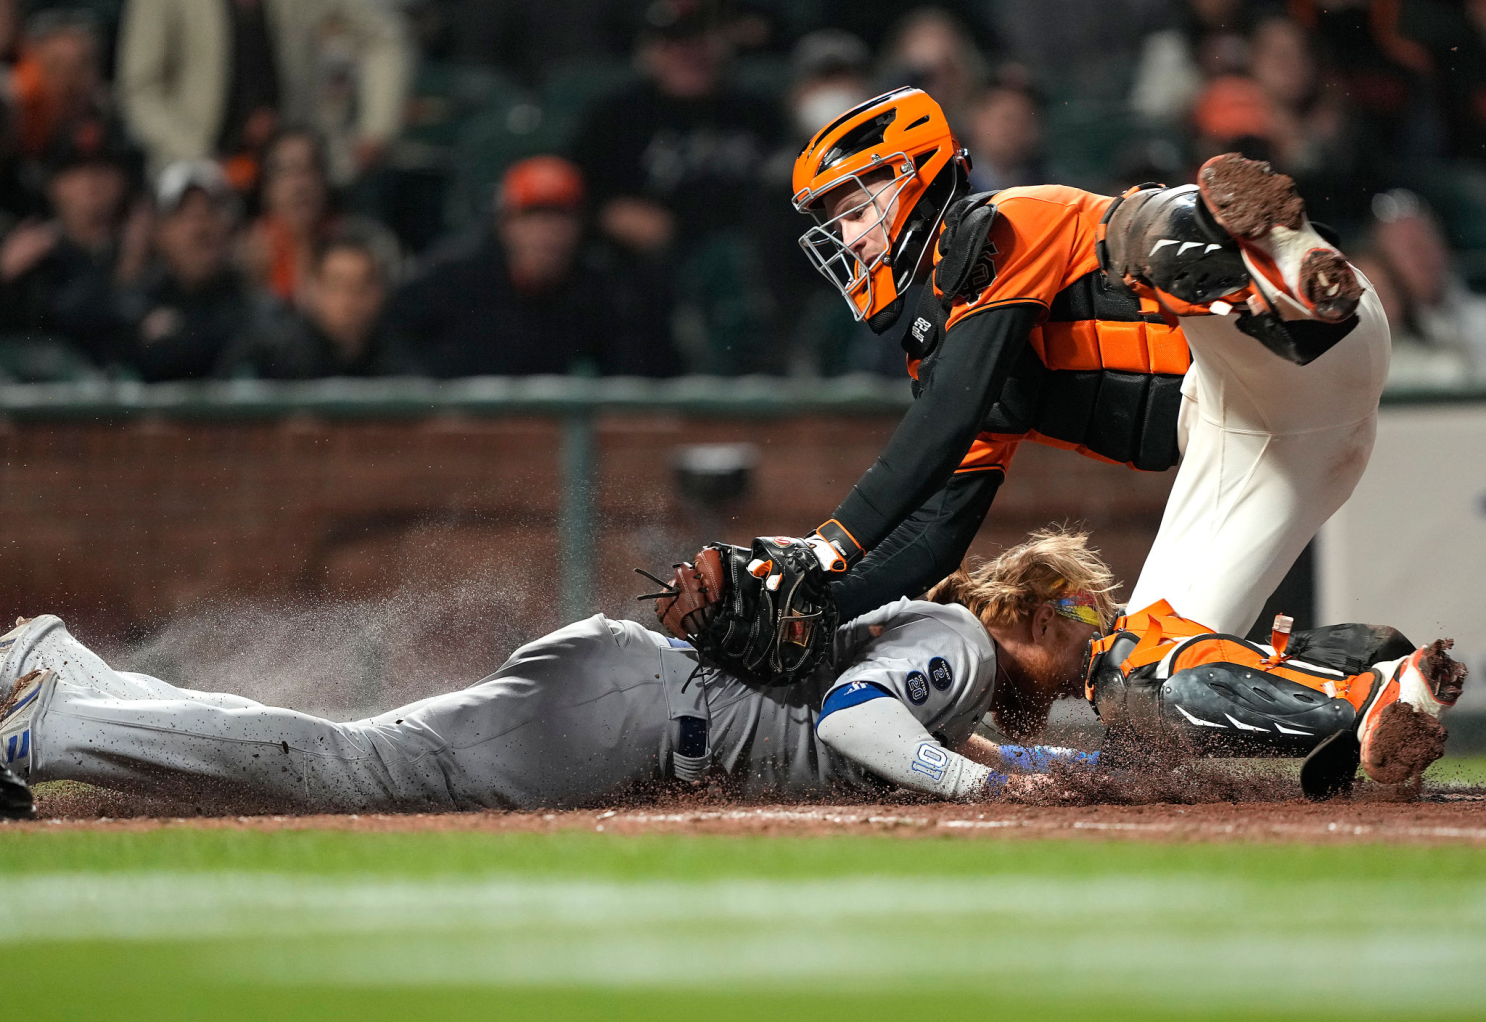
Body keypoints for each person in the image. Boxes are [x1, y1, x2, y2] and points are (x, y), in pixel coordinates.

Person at [655, 87, 1388, 686]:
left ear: (918, 177)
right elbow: (931, 538)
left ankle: (1281, 261)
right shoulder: (946, 343)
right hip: (1256, 431)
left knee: (1137, 228)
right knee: (1140, 677)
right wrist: (819, 606)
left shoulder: (1002, 223)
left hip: (1291, 336)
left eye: (854, 209)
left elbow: (950, 411)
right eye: (834, 221)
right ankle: (1366, 687)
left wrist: (822, 549)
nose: (847, 238)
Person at [0, 529, 1117, 811]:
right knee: (357, 770)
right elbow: (856, 721)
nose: (1092, 649)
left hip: (627, 692)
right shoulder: (960, 644)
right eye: (1087, 620)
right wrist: (995, 786)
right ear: (1028, 607)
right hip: (629, 706)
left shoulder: (950, 655)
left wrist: (1058, 760)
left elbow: (939, 731)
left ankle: (65, 673)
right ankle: (53, 726)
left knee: (360, 753)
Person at [388, 155, 679, 378]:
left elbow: (635, 381)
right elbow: (397, 346)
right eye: (532, 216)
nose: (546, 232)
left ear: (580, 226)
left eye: (560, 217)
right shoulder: (453, 278)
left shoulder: (605, 291)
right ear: (505, 224)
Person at [116, 0, 412, 186]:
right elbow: (139, 89)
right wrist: (202, 159)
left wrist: (376, 128)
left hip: (290, 174)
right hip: (194, 174)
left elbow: (383, 37)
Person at [0, 114, 147, 369]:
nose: (91, 186)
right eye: (76, 173)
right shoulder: (30, 254)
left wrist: (132, 268)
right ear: (52, 186)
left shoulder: (145, 250)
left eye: (103, 170)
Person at [119, 159, 255, 382]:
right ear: (159, 231)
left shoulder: (252, 304)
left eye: (209, 212)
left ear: (231, 227)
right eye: (184, 215)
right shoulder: (137, 304)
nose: (199, 229)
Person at [238, 128, 398, 306]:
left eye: (309, 169)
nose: (299, 185)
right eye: (285, 172)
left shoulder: (368, 244)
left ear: (325, 180)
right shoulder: (243, 252)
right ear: (266, 187)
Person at [221, 229, 396, 379]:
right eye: (337, 285)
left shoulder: (397, 357)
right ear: (315, 289)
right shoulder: (270, 355)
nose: (350, 299)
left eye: (362, 286)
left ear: (380, 292)